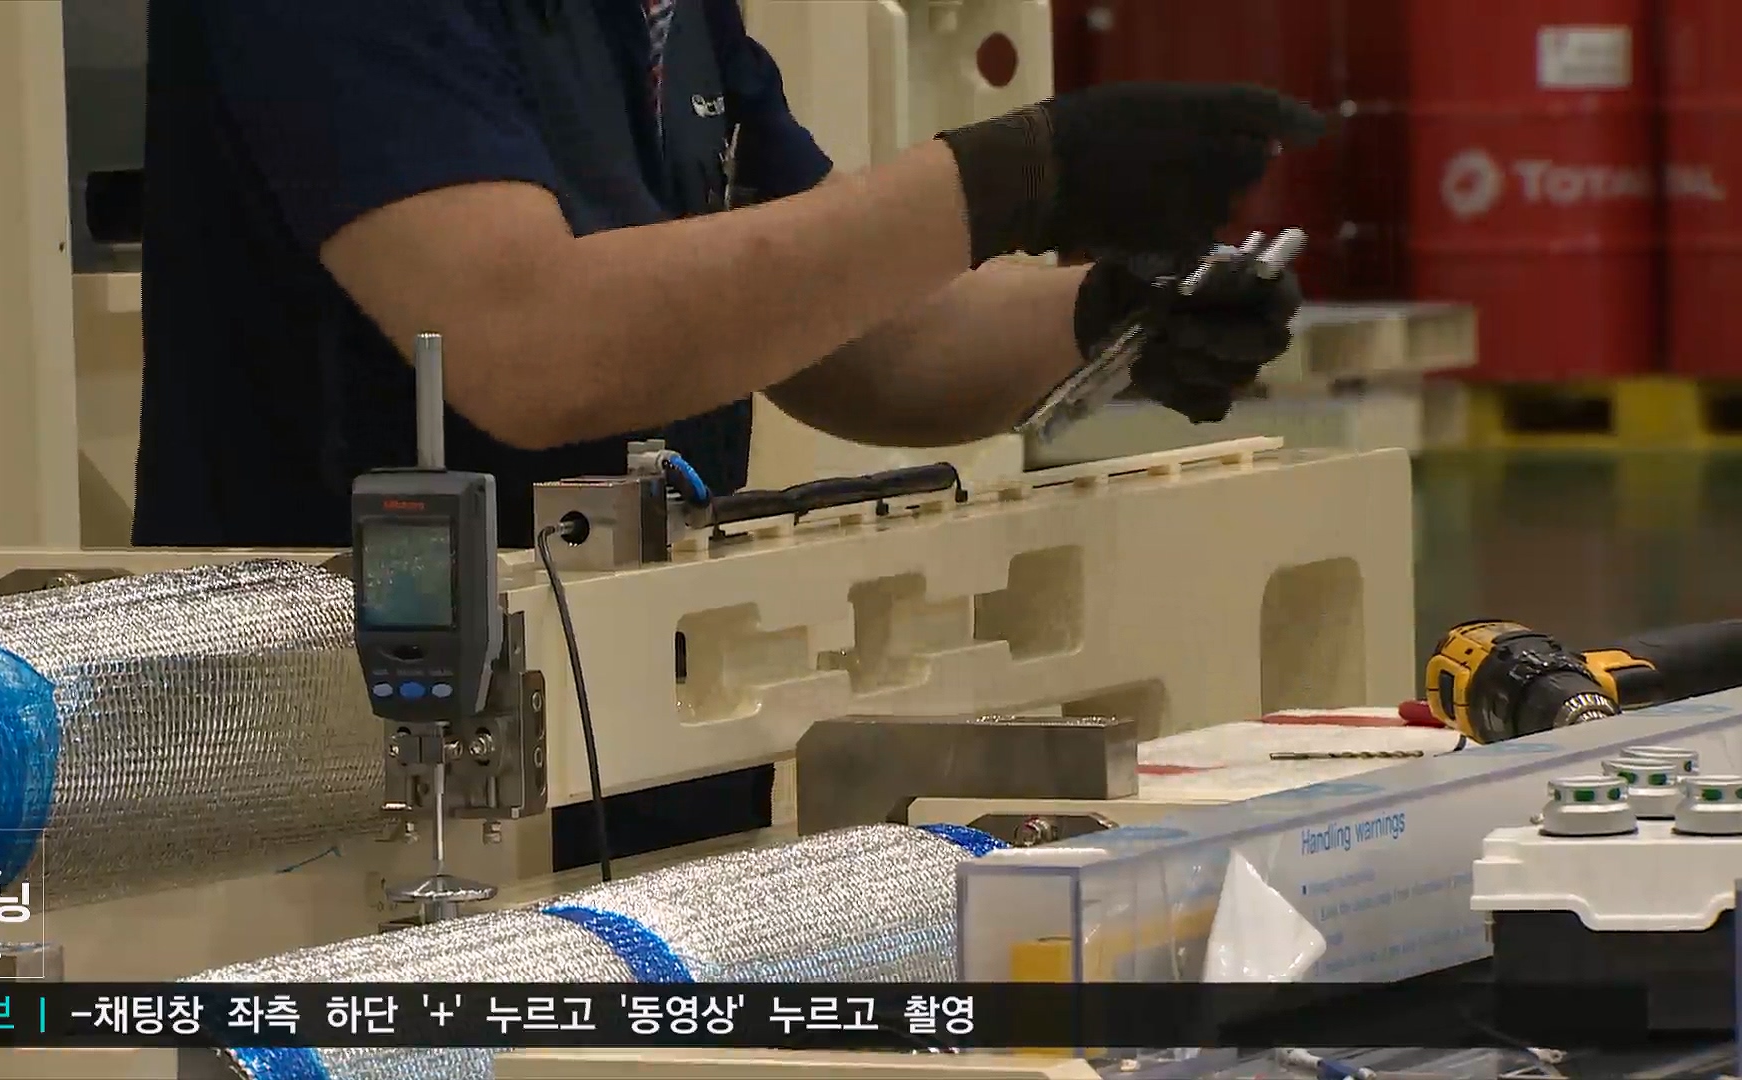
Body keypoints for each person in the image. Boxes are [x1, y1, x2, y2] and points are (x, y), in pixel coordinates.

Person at [133, 0, 1322, 869]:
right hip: (355, 810)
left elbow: (852, 329)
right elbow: (528, 342)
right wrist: (1015, 177)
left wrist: (1108, 316)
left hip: (641, 772)